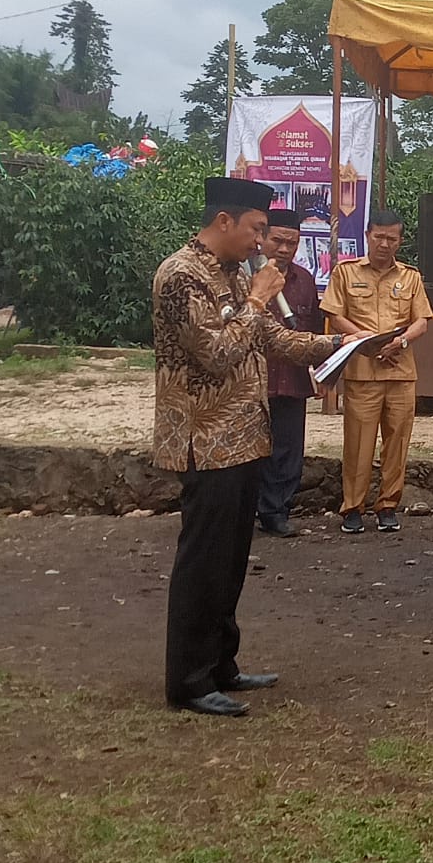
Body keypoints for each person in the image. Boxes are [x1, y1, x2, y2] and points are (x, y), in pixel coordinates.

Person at [153, 177, 362, 716]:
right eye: (257, 230)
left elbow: (270, 339)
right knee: (202, 560)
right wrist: (255, 299)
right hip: (205, 440)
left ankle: (222, 665)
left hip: (244, 438)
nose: (261, 243)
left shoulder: (229, 273)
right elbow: (219, 353)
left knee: (231, 561)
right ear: (225, 221)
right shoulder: (181, 275)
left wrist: (339, 344)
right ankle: (188, 681)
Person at [321, 209, 433, 534]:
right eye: (379, 236)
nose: (384, 243)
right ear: (368, 236)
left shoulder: (410, 277)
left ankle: (387, 505)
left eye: (392, 238)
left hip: (400, 372)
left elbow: (422, 321)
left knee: (397, 442)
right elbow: (333, 312)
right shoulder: (345, 273)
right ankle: (352, 508)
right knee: (358, 442)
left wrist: (400, 342)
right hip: (362, 369)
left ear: (400, 240)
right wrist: (363, 340)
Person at [255, 211, 323, 538]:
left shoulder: (305, 280)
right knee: (254, 451)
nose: (284, 249)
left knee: (289, 452)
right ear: (263, 240)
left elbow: (312, 332)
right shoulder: (246, 279)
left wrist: (321, 374)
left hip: (293, 381)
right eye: (277, 241)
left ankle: (277, 512)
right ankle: (248, 510)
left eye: (292, 243)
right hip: (255, 383)